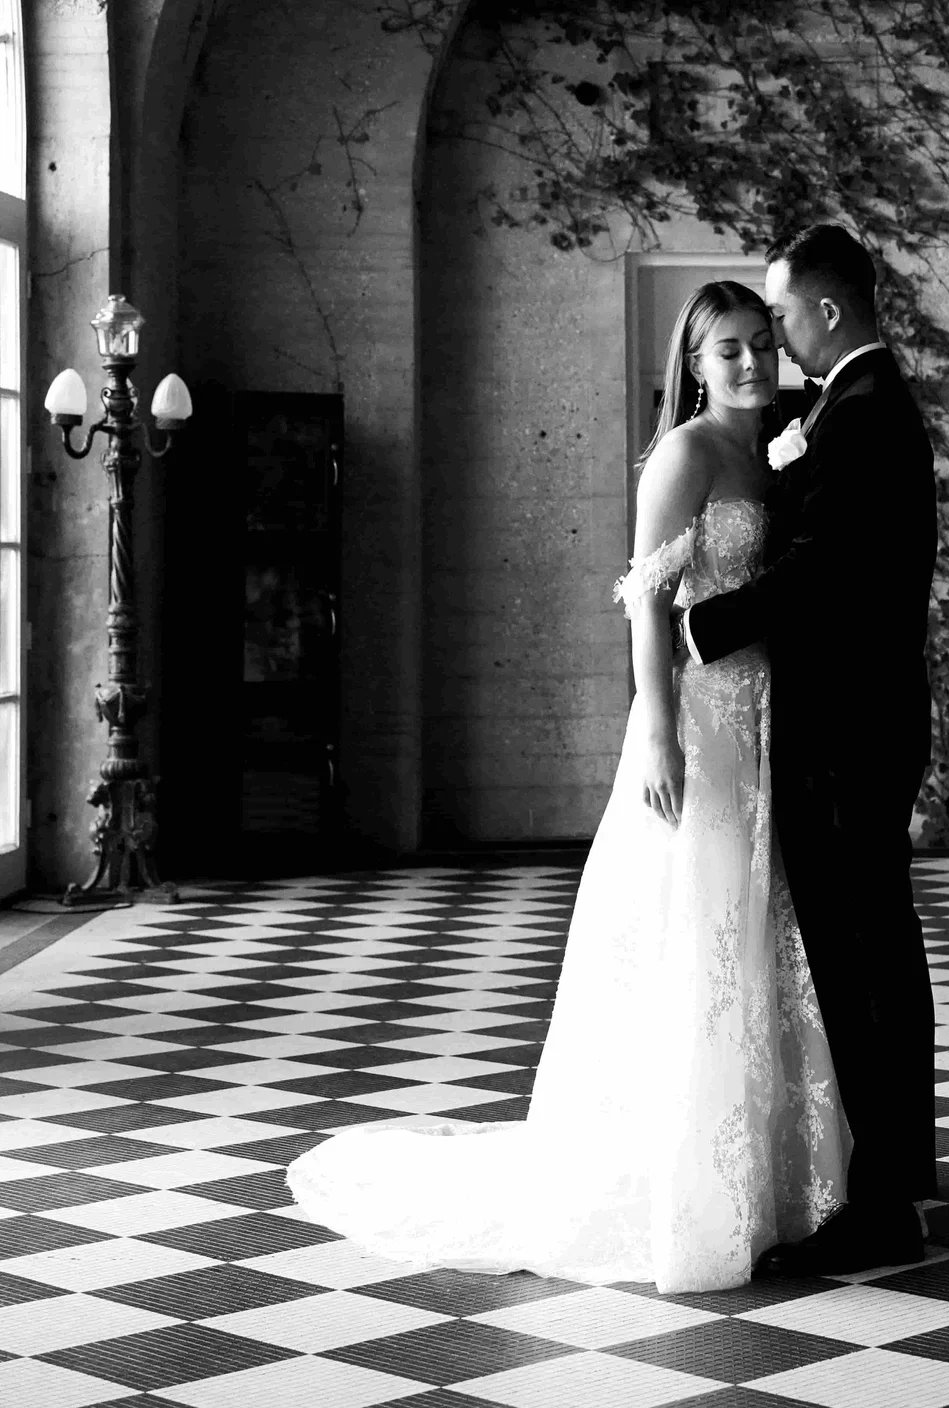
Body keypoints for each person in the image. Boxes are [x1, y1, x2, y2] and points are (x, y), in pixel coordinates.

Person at [286, 281, 847, 1294]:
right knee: (708, 936)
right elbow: (646, 604)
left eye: (764, 344)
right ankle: (696, 1189)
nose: (753, 364)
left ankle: (766, 1179)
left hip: (772, 717)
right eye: (729, 350)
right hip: (706, 722)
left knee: (760, 932)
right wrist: (661, 733)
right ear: (693, 362)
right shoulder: (683, 455)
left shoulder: (776, 447)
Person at [682, 224, 939, 1277]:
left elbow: (826, 567)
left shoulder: (866, 413)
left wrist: (705, 626)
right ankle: (894, 1175)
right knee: (870, 947)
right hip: (856, 721)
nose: (774, 341)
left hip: (848, 729)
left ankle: (883, 1202)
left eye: (781, 317)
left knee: (863, 955)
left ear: (824, 312)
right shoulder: (845, 402)